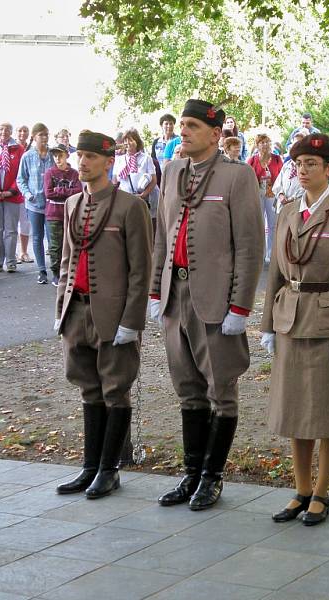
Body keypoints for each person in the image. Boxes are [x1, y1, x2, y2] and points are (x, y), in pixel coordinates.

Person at [151, 99, 264, 511]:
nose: (183, 131)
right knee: (188, 391)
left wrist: (241, 307)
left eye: (192, 125)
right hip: (174, 296)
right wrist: (153, 290)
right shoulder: (172, 170)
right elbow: (162, 236)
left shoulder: (238, 176)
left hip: (216, 301)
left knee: (222, 391)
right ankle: (191, 473)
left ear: (215, 134)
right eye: (181, 124)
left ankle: (213, 477)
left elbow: (251, 246)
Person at [260, 133, 329, 525]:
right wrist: (267, 323)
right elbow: (275, 273)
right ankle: (301, 489)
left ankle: (322, 491)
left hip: (326, 322)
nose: (303, 171)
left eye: (311, 165)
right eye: (299, 164)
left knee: (327, 410)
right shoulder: (287, 211)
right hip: (290, 318)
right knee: (295, 411)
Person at [54, 130, 153, 499]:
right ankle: (90, 466)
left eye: (91, 157)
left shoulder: (130, 207)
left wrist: (132, 320)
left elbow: (142, 269)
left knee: (115, 389)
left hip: (113, 315)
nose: (82, 162)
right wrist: (60, 310)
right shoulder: (71, 204)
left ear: (109, 161)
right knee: (88, 388)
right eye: (80, 155)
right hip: (76, 310)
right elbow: (66, 261)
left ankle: (110, 470)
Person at [17, 122, 55, 284]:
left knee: (52, 238)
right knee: (37, 237)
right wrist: (28, 194)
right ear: (34, 137)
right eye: (41, 135)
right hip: (34, 204)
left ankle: (56, 271)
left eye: (46, 134)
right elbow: (21, 179)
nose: (45, 137)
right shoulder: (27, 156)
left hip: (51, 203)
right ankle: (41, 271)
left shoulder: (53, 155)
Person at [0, 123, 25, 274]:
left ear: (11, 132)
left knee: (11, 229)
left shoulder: (19, 149)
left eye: (7, 129)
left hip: (12, 195)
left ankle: (11, 261)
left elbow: (21, 173)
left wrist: (11, 191)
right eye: (1, 129)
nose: (4, 132)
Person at [44, 143, 81, 287]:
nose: (58, 158)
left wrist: (59, 190)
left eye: (60, 155)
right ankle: (56, 273)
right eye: (55, 156)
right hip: (53, 213)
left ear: (67, 155)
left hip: (70, 213)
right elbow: (48, 193)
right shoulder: (50, 173)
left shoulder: (74, 173)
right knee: (55, 246)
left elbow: (78, 191)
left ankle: (70, 272)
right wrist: (65, 192)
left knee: (71, 242)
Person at [247, 133, 282, 262]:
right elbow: (248, 178)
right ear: (257, 145)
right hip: (257, 194)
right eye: (262, 142)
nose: (265, 145)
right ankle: (259, 252)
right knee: (259, 223)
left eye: (267, 142)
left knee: (272, 224)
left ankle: (270, 253)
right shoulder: (252, 160)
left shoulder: (277, 159)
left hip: (272, 193)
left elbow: (281, 177)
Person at [113, 128, 158, 203]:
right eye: (125, 141)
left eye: (130, 140)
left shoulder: (146, 158)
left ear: (137, 142)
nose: (127, 143)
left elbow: (153, 180)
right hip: (125, 199)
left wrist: (143, 195)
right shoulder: (119, 160)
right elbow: (115, 181)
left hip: (143, 199)